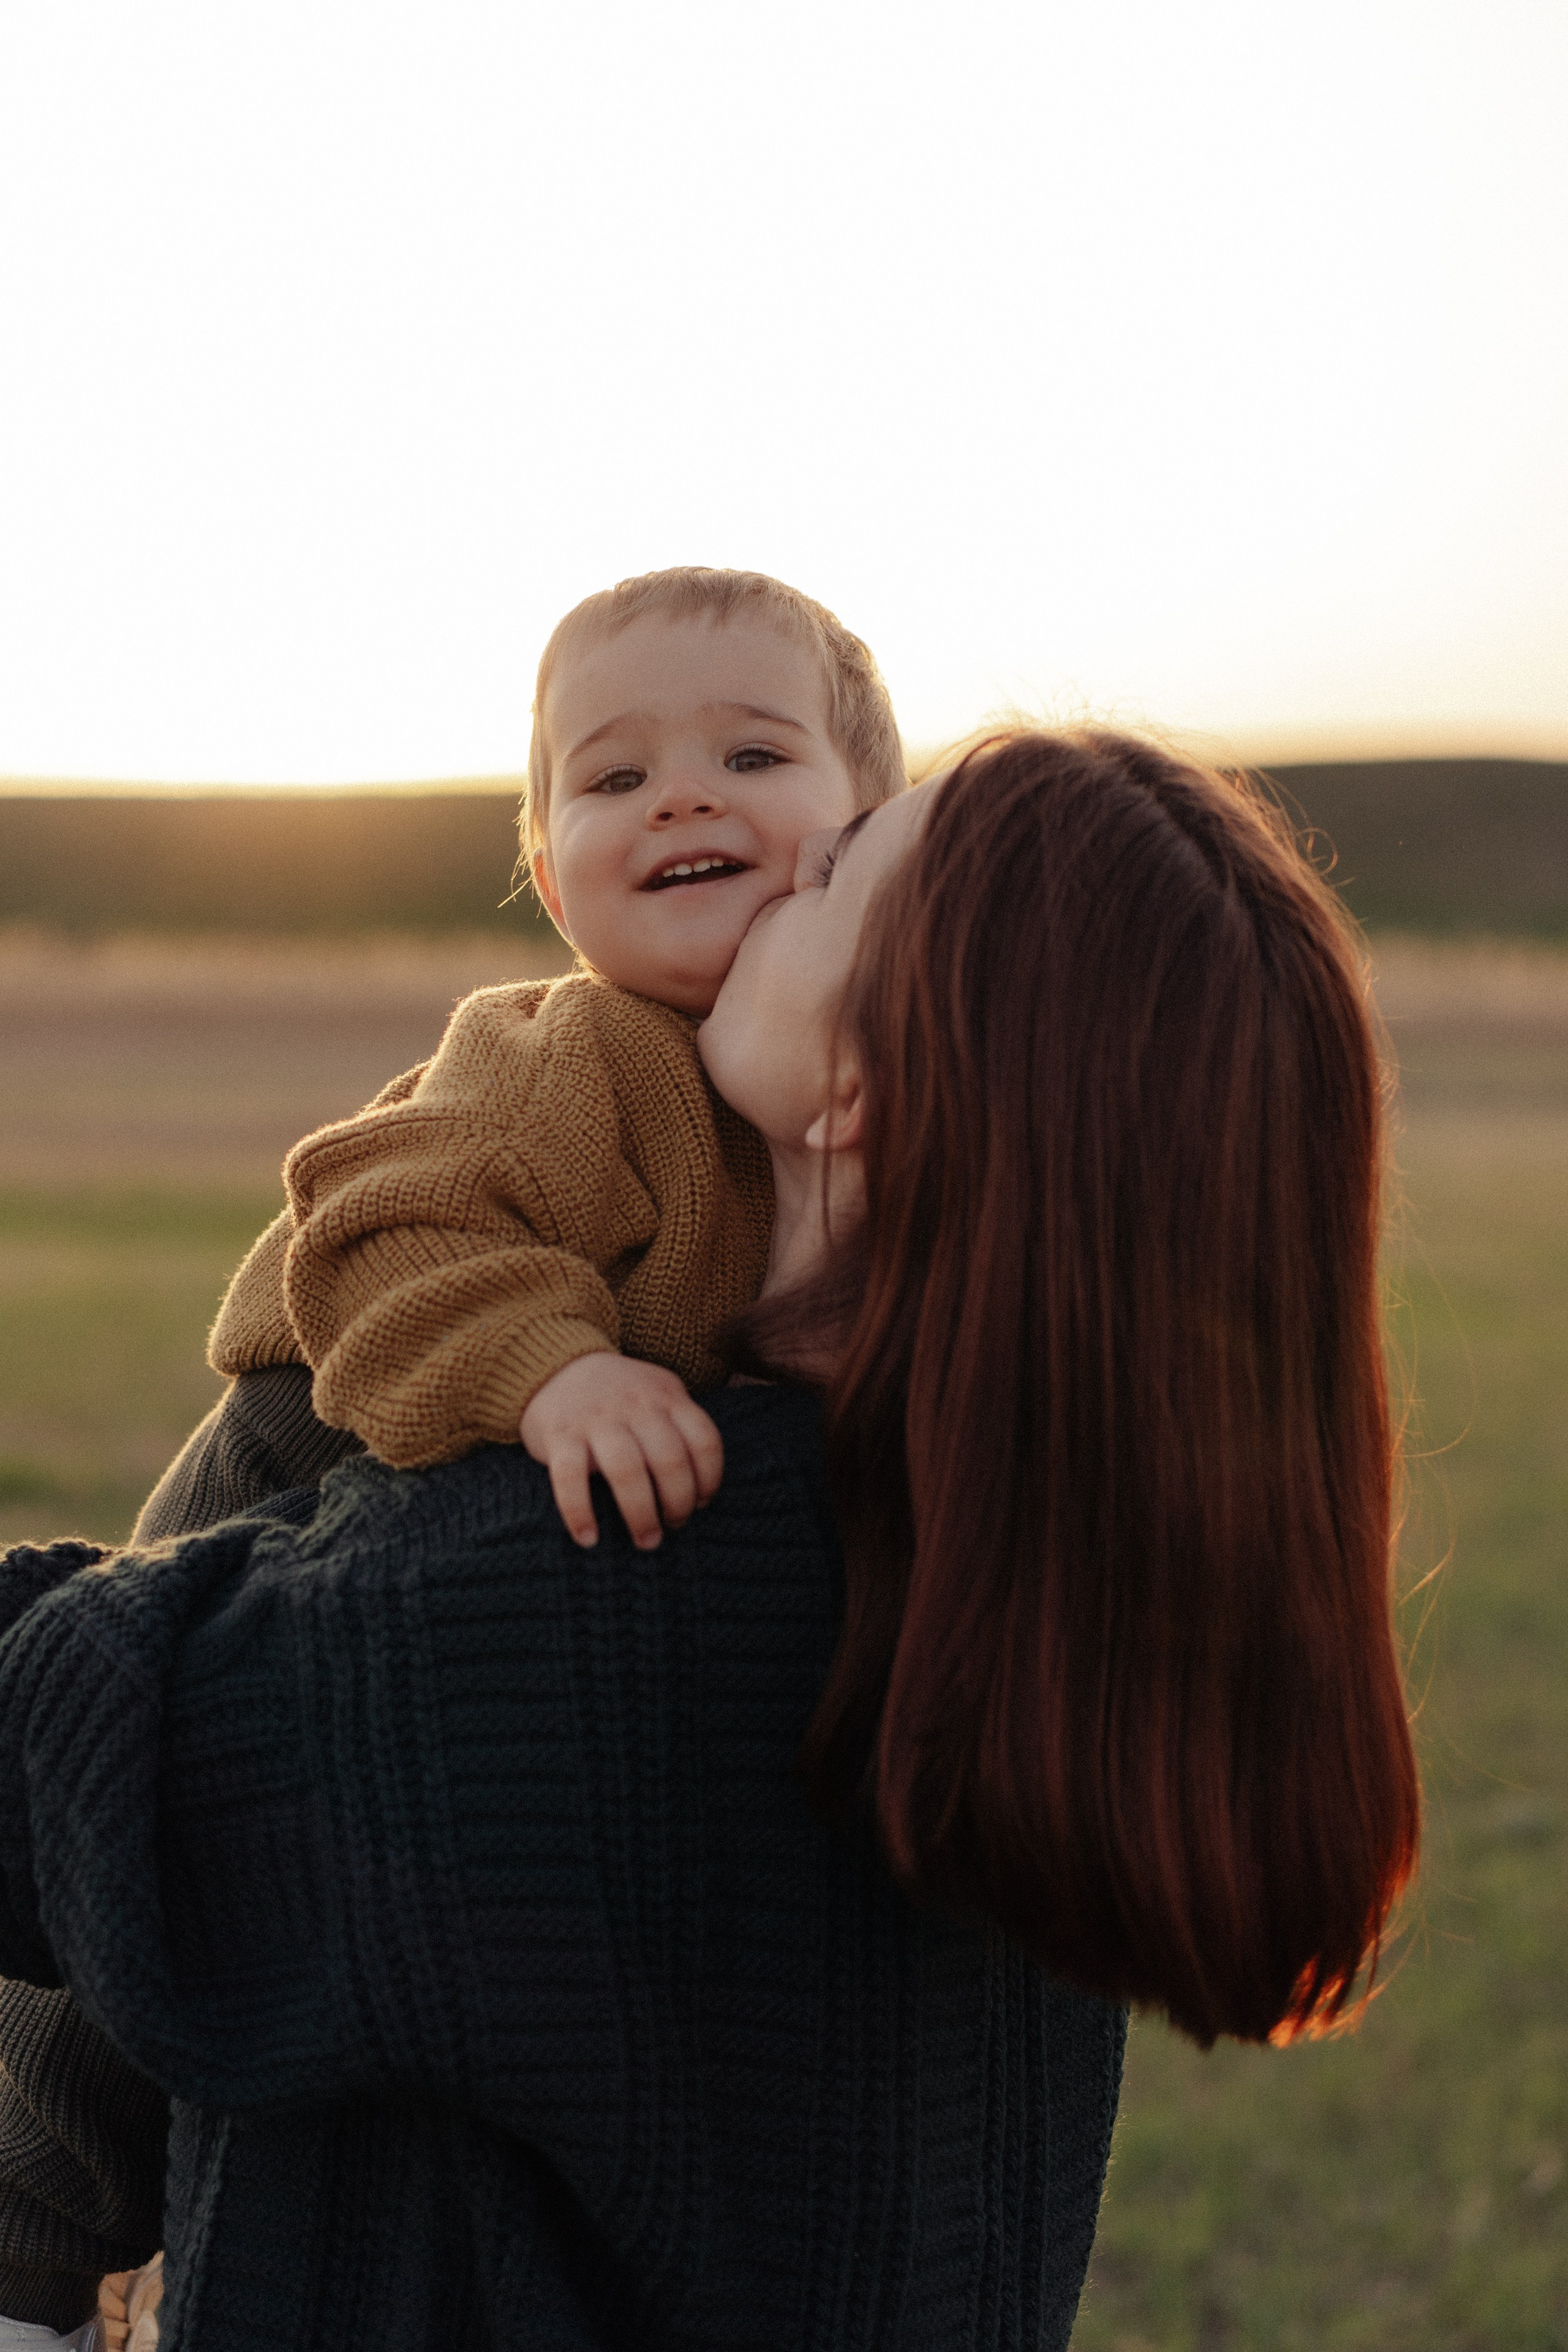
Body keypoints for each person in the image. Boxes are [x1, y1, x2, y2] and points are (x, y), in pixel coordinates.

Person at [0, 728, 1419, 2346]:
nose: (764, 883)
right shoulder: (1073, 1617)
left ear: (865, 1084)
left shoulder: (583, 1575)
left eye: (824, 881)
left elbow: (49, 1744)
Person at [179, 562, 905, 1551]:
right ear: (557, 891)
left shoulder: (855, 1068)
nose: (682, 798)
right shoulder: (563, 1048)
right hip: (298, 1459)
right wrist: (556, 1371)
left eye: (751, 757)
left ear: (871, 834)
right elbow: (387, 1225)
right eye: (617, 779)